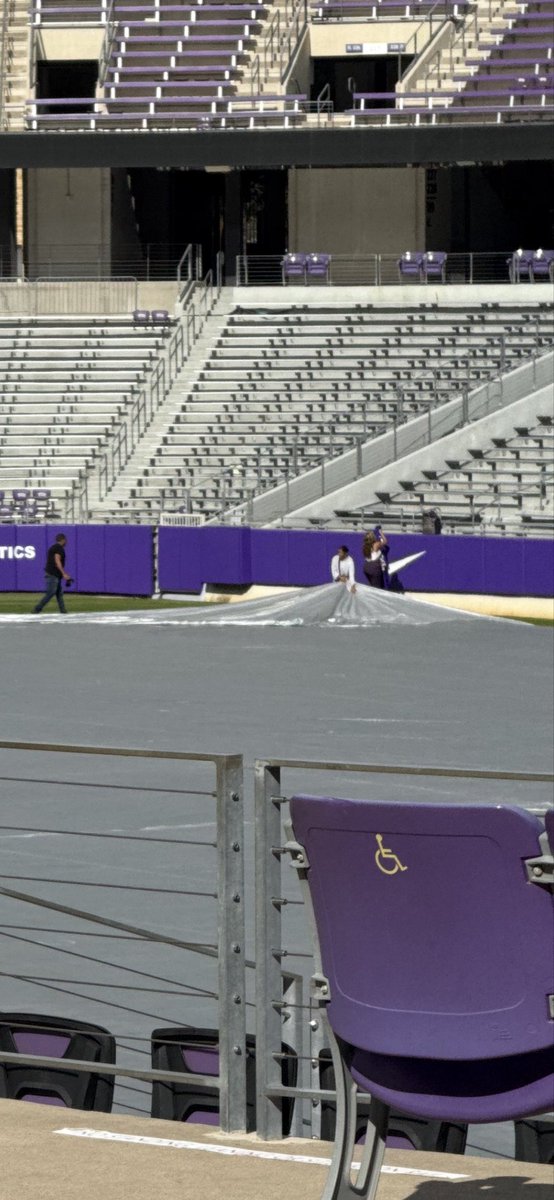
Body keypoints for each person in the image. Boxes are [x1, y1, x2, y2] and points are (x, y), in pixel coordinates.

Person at [33, 533, 72, 614]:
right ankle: (37, 609)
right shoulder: (59, 548)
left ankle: (63, 610)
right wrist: (64, 573)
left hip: (54, 574)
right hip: (53, 574)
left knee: (59, 594)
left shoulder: (53, 547)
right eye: (66, 540)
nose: (66, 542)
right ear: (63, 540)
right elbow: (57, 561)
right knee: (51, 593)